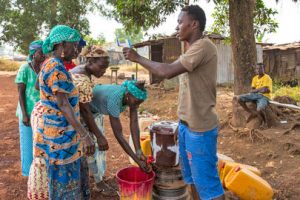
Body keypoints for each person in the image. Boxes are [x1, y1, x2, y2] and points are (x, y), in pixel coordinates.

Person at [123, 5, 225, 200]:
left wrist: (137, 58)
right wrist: (182, 122)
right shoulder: (191, 50)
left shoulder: (204, 47)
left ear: (194, 24)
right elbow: (187, 92)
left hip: (200, 130)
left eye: (180, 22)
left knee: (208, 185)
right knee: (191, 179)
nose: (177, 26)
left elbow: (166, 71)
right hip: (188, 127)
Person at [34, 25, 95, 199]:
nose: (77, 49)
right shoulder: (55, 67)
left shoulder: (51, 64)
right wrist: (85, 135)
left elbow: (41, 87)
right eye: (74, 45)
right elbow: (63, 103)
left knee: (68, 184)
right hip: (61, 139)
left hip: (62, 135)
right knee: (65, 185)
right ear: (61, 45)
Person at [69, 45, 114, 195]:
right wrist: (99, 136)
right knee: (91, 150)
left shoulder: (81, 70)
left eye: (106, 68)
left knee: (87, 152)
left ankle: (91, 179)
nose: (104, 71)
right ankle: (98, 183)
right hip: (81, 121)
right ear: (90, 61)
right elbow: (86, 111)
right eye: (101, 67)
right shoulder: (81, 79)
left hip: (79, 119)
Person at [90, 80, 152, 173]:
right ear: (127, 94)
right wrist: (137, 160)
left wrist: (139, 152)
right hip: (86, 111)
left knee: (98, 148)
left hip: (97, 111)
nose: (137, 105)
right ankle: (94, 177)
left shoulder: (131, 98)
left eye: (139, 103)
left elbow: (134, 123)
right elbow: (119, 135)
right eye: (136, 102)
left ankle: (98, 175)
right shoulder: (114, 100)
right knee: (91, 145)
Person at [15, 40, 45, 177]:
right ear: (33, 54)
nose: (44, 55)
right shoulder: (24, 69)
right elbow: (20, 93)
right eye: (41, 52)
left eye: (45, 52)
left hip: (40, 114)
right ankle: (28, 173)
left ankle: (39, 173)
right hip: (26, 112)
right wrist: (25, 114)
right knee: (27, 144)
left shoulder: (43, 69)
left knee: (39, 143)